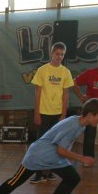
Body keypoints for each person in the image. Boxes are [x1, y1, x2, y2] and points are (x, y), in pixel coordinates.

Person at [0, 98, 98, 194]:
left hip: (53, 157)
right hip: (38, 155)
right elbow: (61, 150)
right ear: (90, 115)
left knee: (73, 178)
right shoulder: (73, 125)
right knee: (16, 180)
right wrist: (82, 158)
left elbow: (61, 148)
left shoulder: (80, 124)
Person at [30, 42, 74, 183]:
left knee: (55, 144)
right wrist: (37, 113)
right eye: (57, 54)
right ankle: (38, 173)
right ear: (51, 54)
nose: (59, 57)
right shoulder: (42, 70)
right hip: (43, 113)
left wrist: (63, 115)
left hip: (57, 114)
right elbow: (37, 93)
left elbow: (66, 95)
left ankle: (49, 172)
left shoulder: (65, 72)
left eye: (62, 54)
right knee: (41, 143)